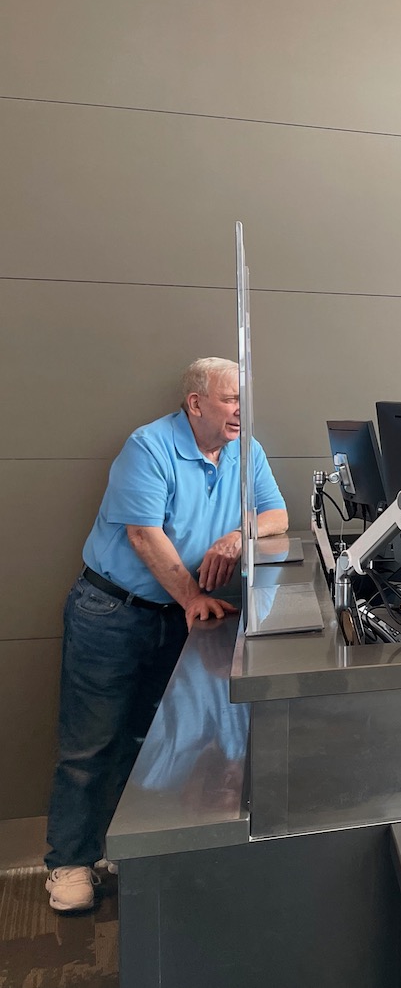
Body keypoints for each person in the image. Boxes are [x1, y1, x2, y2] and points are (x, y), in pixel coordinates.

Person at [43, 358, 287, 913]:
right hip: (112, 610)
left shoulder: (248, 450)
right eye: (230, 401)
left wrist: (235, 535)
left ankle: (120, 848)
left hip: (177, 618)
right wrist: (194, 598)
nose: (240, 412)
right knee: (90, 745)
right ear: (196, 403)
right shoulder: (148, 446)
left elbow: (277, 514)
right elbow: (142, 533)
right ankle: (69, 863)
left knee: (154, 741)